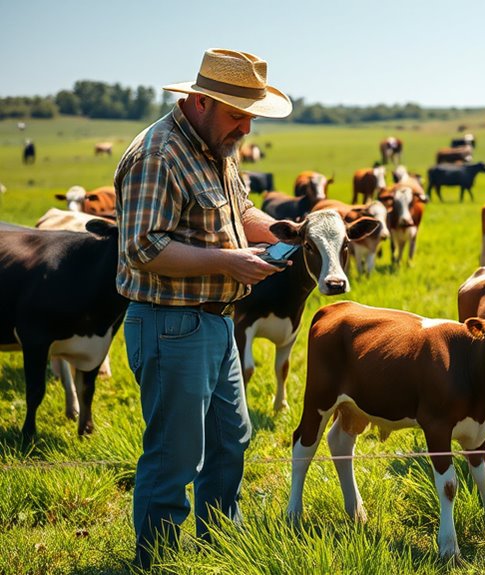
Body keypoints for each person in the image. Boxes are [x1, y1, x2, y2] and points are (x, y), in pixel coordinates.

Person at [114, 48, 293, 568]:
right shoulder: (159, 154)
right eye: (238, 115)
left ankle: (219, 544)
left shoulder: (218, 145)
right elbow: (142, 248)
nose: (246, 128)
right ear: (199, 101)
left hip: (216, 323)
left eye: (251, 116)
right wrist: (228, 263)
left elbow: (240, 209)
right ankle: (161, 559)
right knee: (175, 455)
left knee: (231, 437)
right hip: (171, 322)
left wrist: (287, 232)